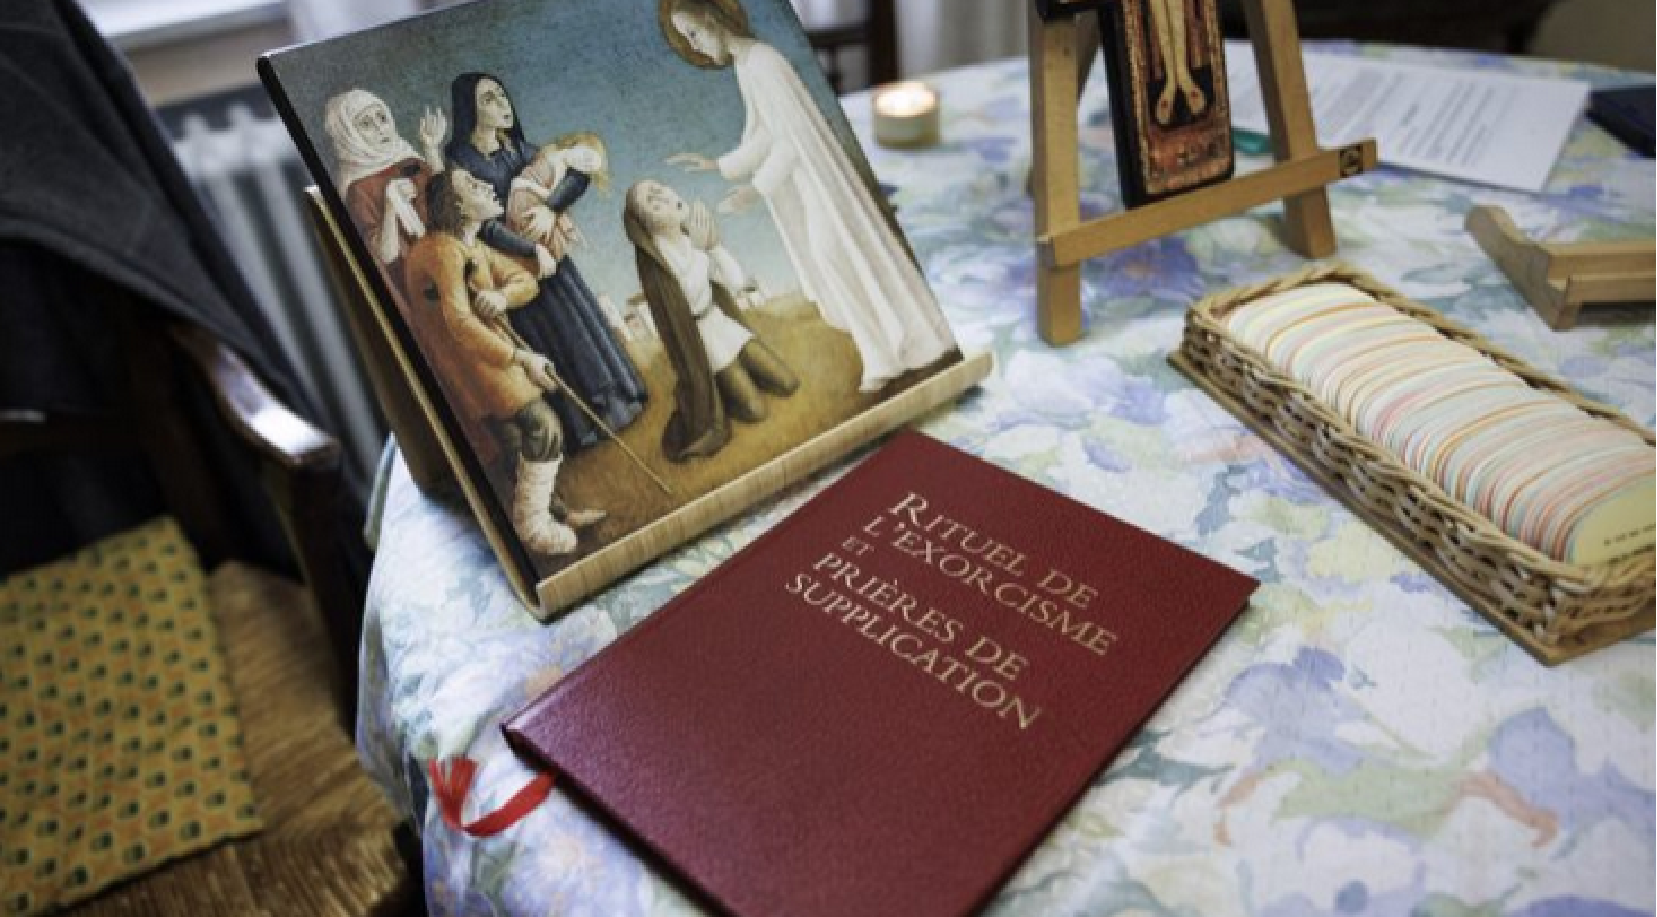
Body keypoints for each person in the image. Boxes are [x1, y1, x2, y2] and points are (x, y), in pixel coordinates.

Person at [663, 0, 956, 393]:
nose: (694, 46)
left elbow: (791, 138)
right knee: (832, 259)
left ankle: (890, 351)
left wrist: (756, 189)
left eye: (693, 34)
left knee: (834, 254)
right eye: (687, 40)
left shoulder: (763, 63)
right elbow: (765, 133)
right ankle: (882, 354)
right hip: (805, 183)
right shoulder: (747, 65)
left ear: (713, 19)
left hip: (819, 180)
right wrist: (718, 164)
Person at [404, 168, 601, 556]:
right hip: (474, 362)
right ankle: (533, 527)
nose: (486, 186)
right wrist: (520, 357)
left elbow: (525, 279)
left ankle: (555, 515)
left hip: (489, 355)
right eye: (473, 186)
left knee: (516, 443)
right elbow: (459, 323)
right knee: (543, 427)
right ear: (457, 205)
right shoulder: (442, 251)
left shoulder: (471, 246)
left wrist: (502, 297)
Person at [444, 72, 647, 450]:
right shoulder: (462, 161)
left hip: (552, 259)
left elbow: (579, 174)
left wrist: (551, 209)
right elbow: (483, 224)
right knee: (553, 340)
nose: (503, 104)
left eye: (502, 95)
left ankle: (617, 401)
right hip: (516, 270)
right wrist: (528, 249)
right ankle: (582, 427)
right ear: (469, 108)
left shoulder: (519, 149)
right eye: (490, 99)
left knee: (581, 329)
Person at [623, 179, 798, 461]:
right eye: (652, 202)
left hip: (721, 323)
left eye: (660, 188)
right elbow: (686, 298)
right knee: (756, 411)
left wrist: (714, 247)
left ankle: (734, 383)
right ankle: (722, 394)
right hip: (703, 340)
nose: (663, 197)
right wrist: (702, 251)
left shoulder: (689, 237)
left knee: (788, 383)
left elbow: (735, 282)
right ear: (647, 225)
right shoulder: (659, 260)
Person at [323, 89, 446, 297]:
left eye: (381, 118)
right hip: (419, 282)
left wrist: (431, 149)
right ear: (348, 135)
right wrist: (390, 206)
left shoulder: (409, 159)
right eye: (366, 124)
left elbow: (447, 201)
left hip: (449, 254)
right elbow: (385, 255)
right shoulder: (358, 189)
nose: (380, 128)